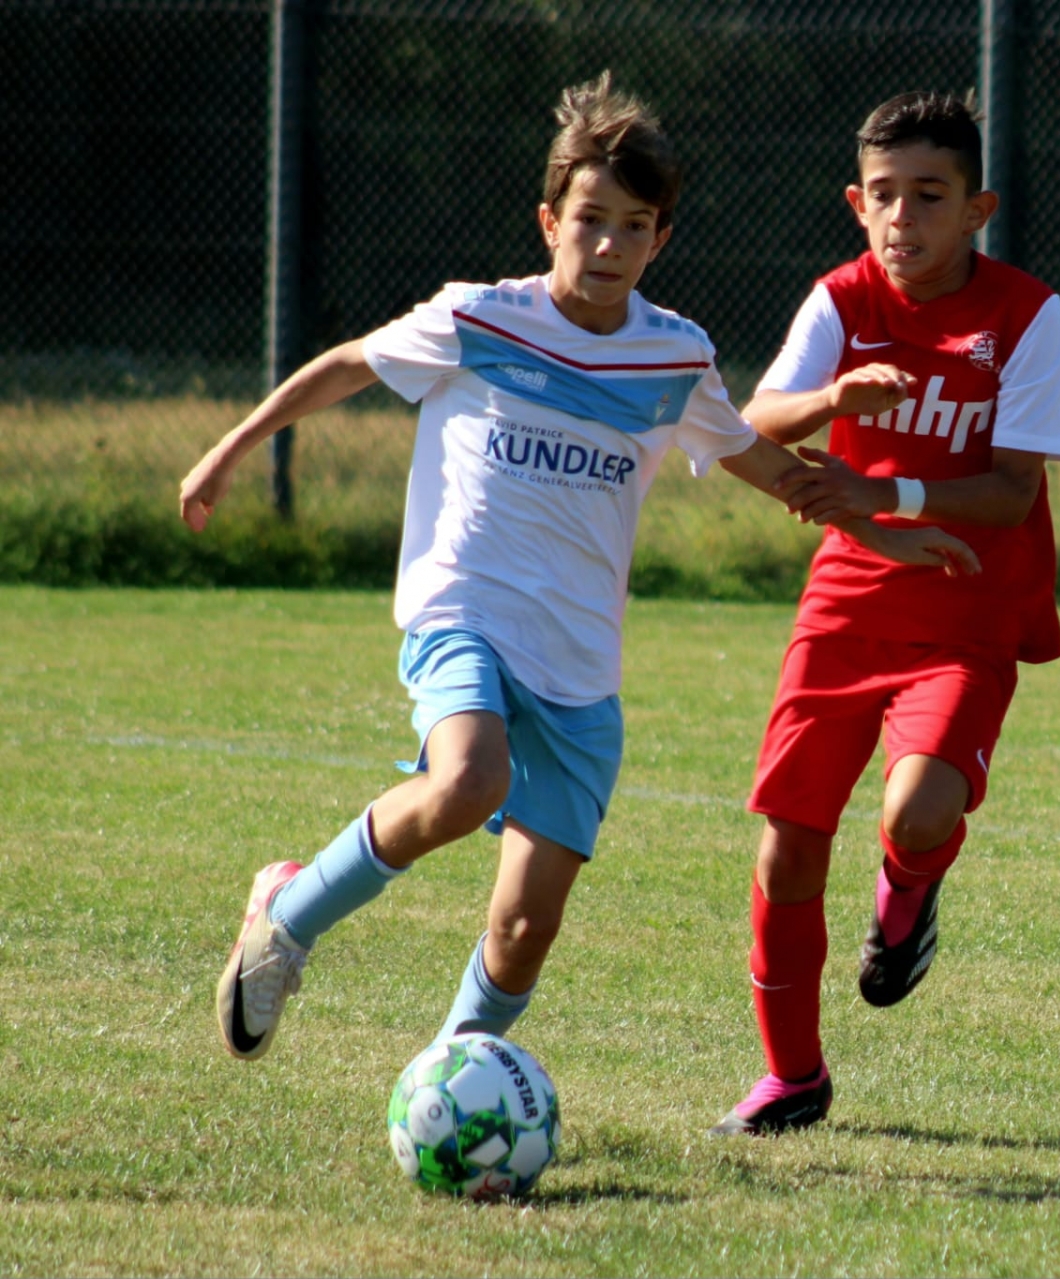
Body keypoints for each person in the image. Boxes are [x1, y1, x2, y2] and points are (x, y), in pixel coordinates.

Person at [183, 72, 977, 1064]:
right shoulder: (482, 319)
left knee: (525, 929)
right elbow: (349, 362)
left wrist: (887, 533)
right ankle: (288, 915)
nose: (607, 246)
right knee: (467, 778)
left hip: (579, 668)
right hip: (465, 613)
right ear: (549, 220)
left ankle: (453, 1078)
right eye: (590, 220)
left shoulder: (673, 357)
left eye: (633, 227)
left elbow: (765, 464)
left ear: (659, 241)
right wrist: (230, 450)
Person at [709, 90, 1060, 1136]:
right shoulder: (842, 299)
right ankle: (792, 1077)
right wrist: (832, 403)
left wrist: (884, 491)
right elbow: (755, 419)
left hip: (966, 601)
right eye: (884, 195)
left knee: (916, 814)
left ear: (978, 210)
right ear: (856, 204)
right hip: (845, 603)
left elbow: (1012, 491)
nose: (903, 217)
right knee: (787, 847)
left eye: (930, 195)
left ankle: (908, 893)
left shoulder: (1024, 315)